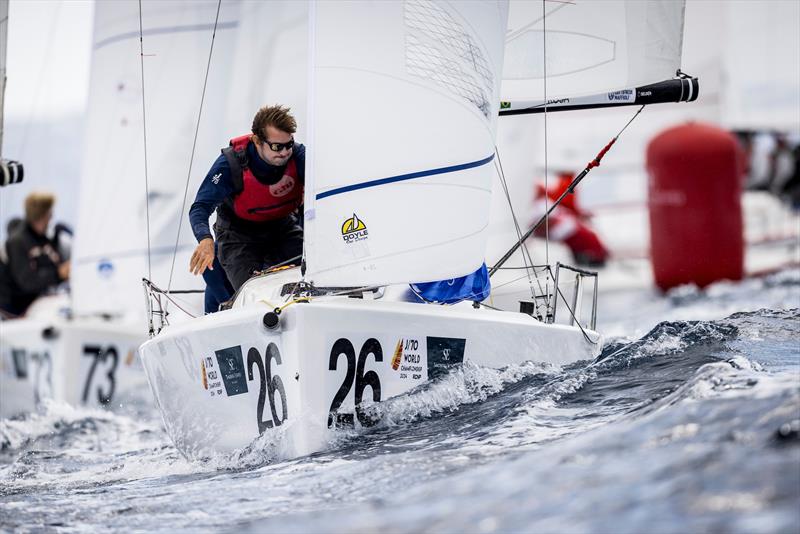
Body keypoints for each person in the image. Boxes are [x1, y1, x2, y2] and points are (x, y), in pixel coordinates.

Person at [188, 105, 305, 311]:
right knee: (254, 297)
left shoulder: (299, 156)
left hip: (282, 228)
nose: (285, 152)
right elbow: (200, 207)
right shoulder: (230, 164)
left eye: (289, 145)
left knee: (312, 281)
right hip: (238, 236)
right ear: (257, 141)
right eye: (277, 147)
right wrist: (205, 239)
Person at [1, 192, 70, 316]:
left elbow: (52, 263)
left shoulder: (43, 238)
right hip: (14, 308)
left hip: (36, 301)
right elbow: (27, 281)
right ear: (41, 215)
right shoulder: (18, 241)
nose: (52, 216)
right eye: (49, 213)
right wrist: (59, 273)